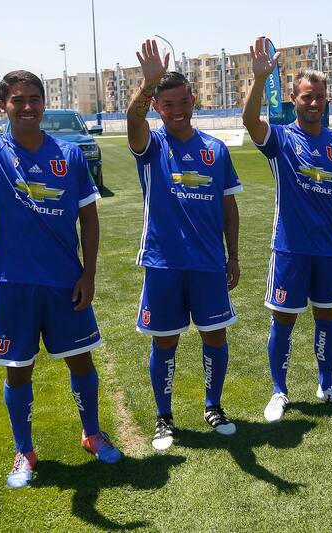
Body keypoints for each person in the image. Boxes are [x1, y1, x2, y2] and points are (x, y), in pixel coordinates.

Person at [0, 12, 120, 489]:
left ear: (44, 104)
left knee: (81, 361)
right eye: (17, 100)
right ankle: (24, 450)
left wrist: (89, 274)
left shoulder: (70, 155)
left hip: (65, 281)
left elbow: (89, 218)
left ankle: (92, 434)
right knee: (18, 370)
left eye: (34, 99)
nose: (26, 106)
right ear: (3, 106)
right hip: (14, 282)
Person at [126, 40, 242, 450]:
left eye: (182, 102)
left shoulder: (215, 149)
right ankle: (164, 417)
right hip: (164, 263)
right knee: (165, 341)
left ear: (194, 101)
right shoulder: (151, 145)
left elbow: (229, 208)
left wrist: (233, 255)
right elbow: (133, 121)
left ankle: (214, 406)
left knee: (215, 337)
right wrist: (148, 84)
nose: (177, 111)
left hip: (208, 263)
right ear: (158, 108)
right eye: (168, 105)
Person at [243, 36, 332, 422]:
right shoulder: (280, 138)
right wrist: (259, 80)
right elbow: (250, 122)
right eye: (307, 97)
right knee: (284, 320)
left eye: (319, 97)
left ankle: (327, 385)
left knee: (328, 318)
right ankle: (279, 391)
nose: (314, 103)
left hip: (328, 248)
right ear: (293, 98)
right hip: (290, 248)